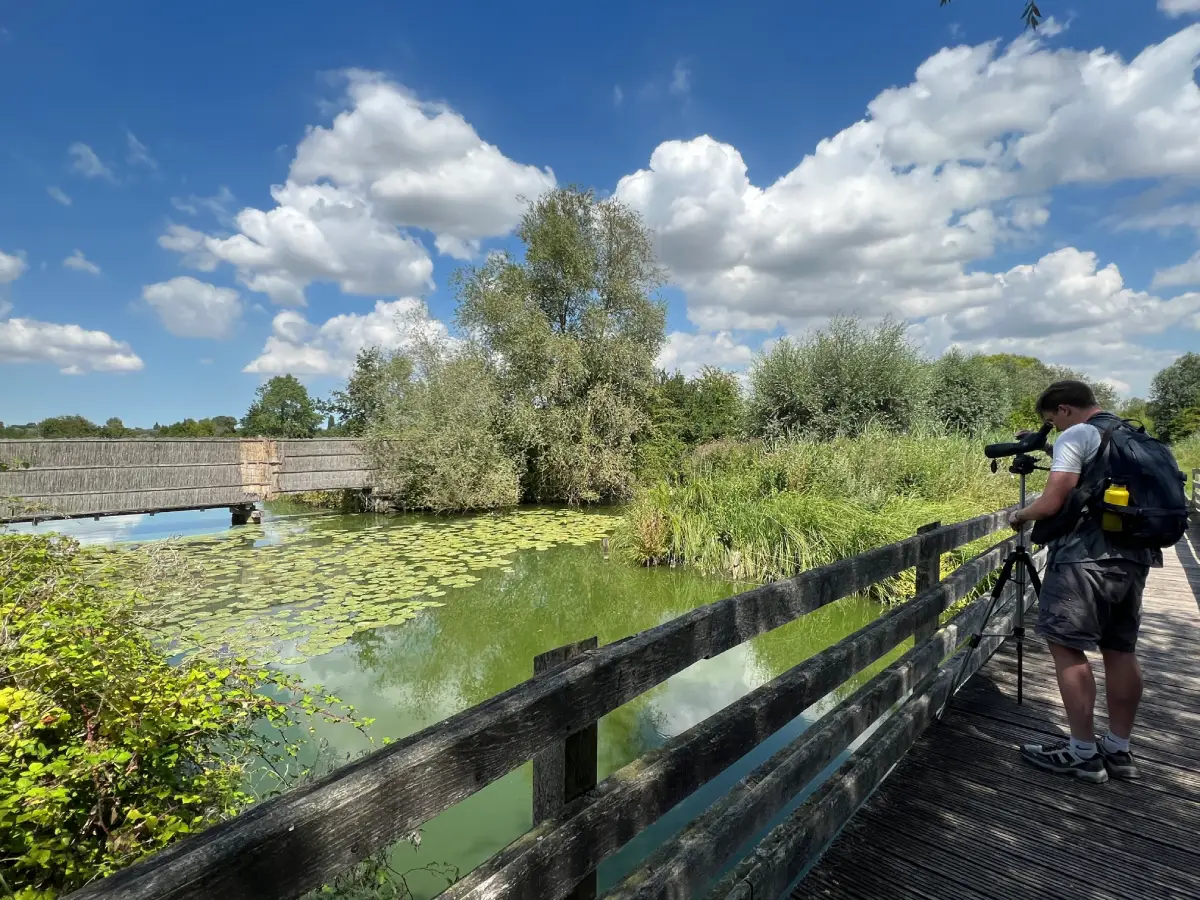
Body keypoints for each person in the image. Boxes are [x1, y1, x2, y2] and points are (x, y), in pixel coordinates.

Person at [1005, 379, 1162, 784]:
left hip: (1084, 560)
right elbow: (1096, 477)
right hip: (1134, 557)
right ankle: (1118, 749)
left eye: (1051, 422)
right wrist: (1049, 448)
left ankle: (1082, 754)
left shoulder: (1076, 433)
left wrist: (1020, 516)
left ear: (1064, 410)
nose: (1054, 430)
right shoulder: (1129, 433)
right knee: (1120, 650)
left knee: (1068, 649)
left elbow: (1053, 502)